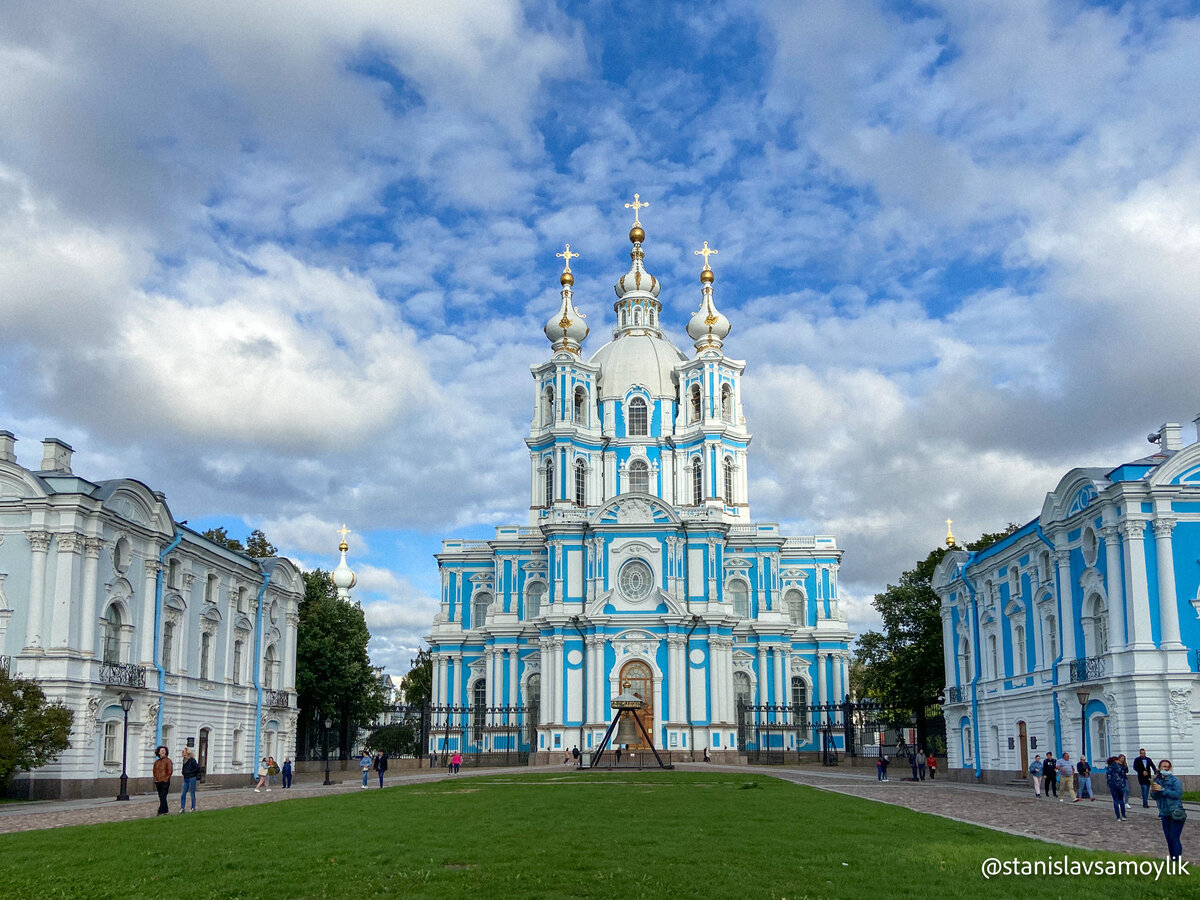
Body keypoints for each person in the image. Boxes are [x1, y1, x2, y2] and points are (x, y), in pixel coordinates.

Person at [1151, 759, 1184, 862]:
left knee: (1174, 838)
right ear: (1159, 768)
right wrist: (1154, 791)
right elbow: (1154, 797)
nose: (1165, 768)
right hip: (1164, 813)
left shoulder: (1175, 781)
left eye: (1167, 767)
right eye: (1163, 766)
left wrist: (1163, 790)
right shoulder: (1157, 781)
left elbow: (1177, 794)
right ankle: (1172, 859)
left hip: (1176, 812)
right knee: (1169, 839)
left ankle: (1177, 862)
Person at [1105, 756, 1128, 821]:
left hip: (1113, 786)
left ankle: (1118, 817)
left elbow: (1108, 777)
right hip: (1120, 785)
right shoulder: (1120, 767)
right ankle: (1123, 815)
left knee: (1115, 801)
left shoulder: (1109, 768)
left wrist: (1110, 785)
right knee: (1121, 800)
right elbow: (1124, 775)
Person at [153, 745, 172, 816]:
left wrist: (165, 779)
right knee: (161, 796)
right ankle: (165, 809)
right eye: (161, 751)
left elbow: (169, 771)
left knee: (163, 795)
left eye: (164, 751)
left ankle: (160, 810)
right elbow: (154, 771)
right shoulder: (157, 762)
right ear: (158, 752)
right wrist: (156, 779)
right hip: (158, 781)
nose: (163, 752)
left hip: (165, 781)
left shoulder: (168, 761)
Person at [180, 747, 200, 812]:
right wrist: (183, 772)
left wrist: (191, 772)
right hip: (185, 778)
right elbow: (184, 769)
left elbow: (197, 768)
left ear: (187, 753)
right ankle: (182, 808)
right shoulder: (184, 760)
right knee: (183, 794)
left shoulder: (192, 760)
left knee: (192, 793)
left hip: (192, 778)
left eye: (184, 752)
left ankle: (193, 807)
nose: (183, 753)